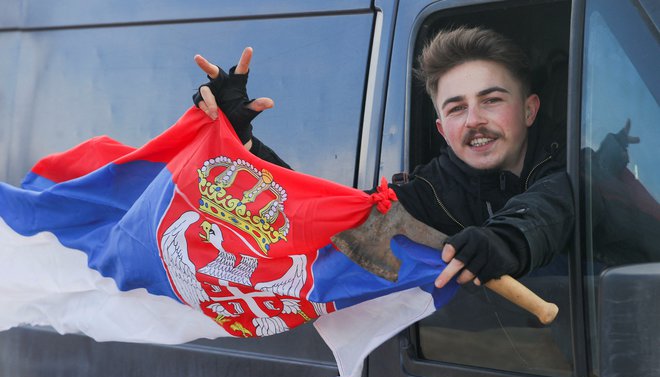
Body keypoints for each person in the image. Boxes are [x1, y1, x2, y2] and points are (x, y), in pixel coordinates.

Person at [192, 26, 575, 290]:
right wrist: (240, 144)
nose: (474, 121)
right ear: (442, 129)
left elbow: (556, 204)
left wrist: (506, 241)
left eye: (491, 100)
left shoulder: (580, 173)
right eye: (457, 109)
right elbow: (320, 220)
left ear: (529, 110)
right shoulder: (425, 195)